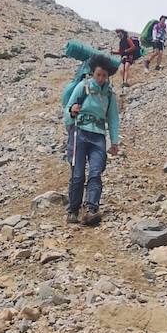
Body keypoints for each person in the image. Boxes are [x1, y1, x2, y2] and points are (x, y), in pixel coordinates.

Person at [64, 54, 121, 226]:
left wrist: (115, 141)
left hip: (98, 136)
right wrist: (72, 113)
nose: (102, 78)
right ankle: (73, 210)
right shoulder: (83, 86)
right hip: (80, 132)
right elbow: (68, 109)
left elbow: (113, 119)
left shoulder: (110, 94)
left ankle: (91, 208)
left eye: (104, 75)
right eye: (99, 75)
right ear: (93, 73)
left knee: (96, 172)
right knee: (78, 174)